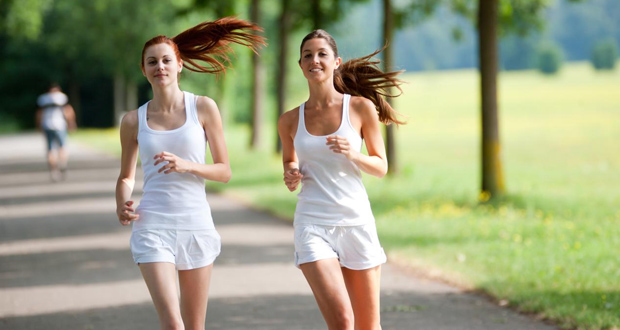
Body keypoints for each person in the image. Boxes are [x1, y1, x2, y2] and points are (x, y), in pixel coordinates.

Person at [115, 17, 265, 330]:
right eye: (152, 62)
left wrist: (188, 165)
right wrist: (123, 202)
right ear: (143, 70)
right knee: (173, 324)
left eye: (167, 60)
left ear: (180, 65)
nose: (160, 67)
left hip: (195, 223)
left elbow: (224, 171)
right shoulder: (133, 121)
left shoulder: (204, 108)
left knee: (195, 326)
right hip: (152, 225)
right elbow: (126, 176)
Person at [277, 29, 405, 330]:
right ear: (300, 65)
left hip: (355, 221)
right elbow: (289, 158)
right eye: (307, 55)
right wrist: (291, 172)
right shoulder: (289, 120)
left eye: (322, 54)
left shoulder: (360, 108)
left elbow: (380, 166)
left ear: (336, 62)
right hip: (312, 222)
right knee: (343, 321)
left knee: (368, 326)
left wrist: (354, 154)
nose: (314, 60)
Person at [36, 83, 77, 182]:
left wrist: (39, 125)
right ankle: (63, 163)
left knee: (50, 149)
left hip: (47, 125)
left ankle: (54, 170)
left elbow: (39, 113)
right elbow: (68, 110)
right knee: (63, 146)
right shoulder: (62, 97)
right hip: (60, 125)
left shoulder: (43, 99)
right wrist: (71, 122)